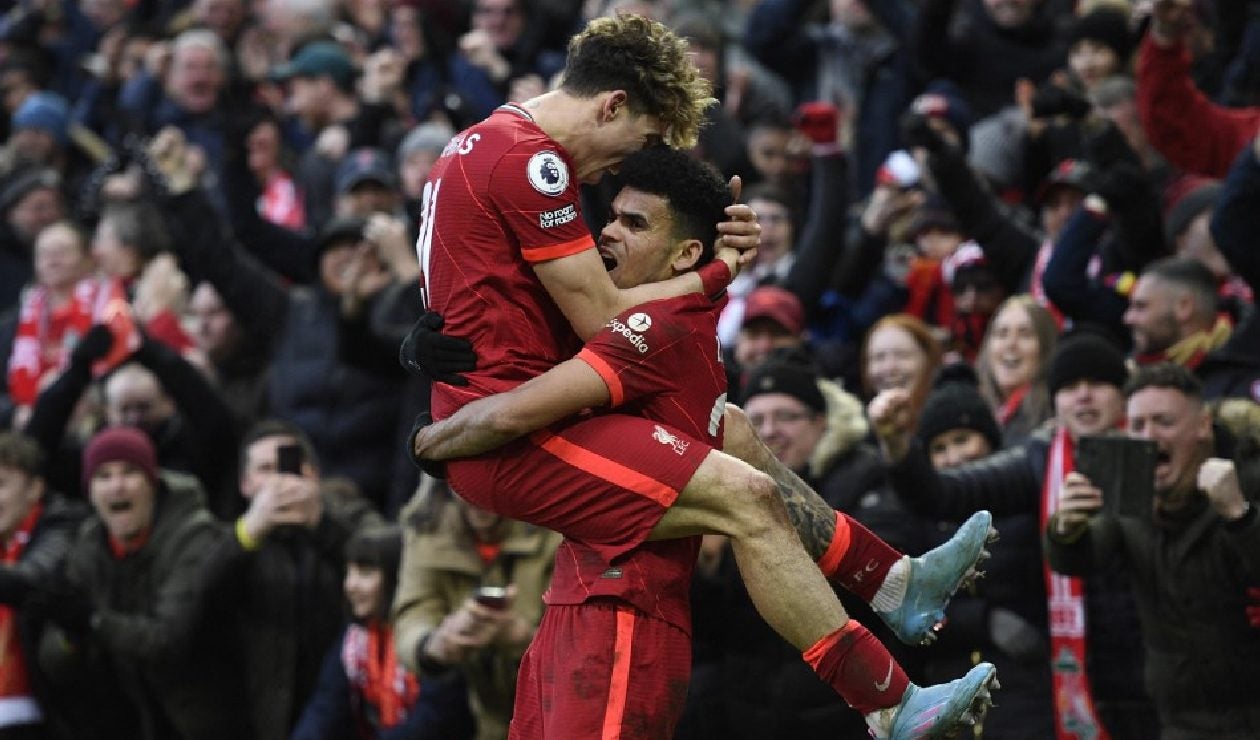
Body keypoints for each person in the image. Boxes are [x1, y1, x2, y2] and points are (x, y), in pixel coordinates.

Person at [411, 139, 997, 738]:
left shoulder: (649, 328)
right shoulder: (676, 314)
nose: (607, 234)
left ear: (682, 253)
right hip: (581, 612)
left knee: (745, 485)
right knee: (736, 435)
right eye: (611, 217)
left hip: (620, 618)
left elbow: (511, 415)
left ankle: (887, 694)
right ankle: (893, 586)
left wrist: (430, 438)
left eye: (632, 224)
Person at [868, 332, 1160, 739]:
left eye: (1098, 384)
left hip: (1162, 668)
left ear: (1124, 394)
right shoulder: (1037, 461)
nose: (1084, 397)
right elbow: (942, 494)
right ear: (1055, 402)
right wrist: (898, 445)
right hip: (1086, 678)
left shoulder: (1167, 452)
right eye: (1070, 387)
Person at [1046, 362, 1260, 738]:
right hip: (1181, 719)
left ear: (1202, 425)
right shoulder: (1129, 495)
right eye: (1139, 426)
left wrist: (1239, 516)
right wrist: (1065, 529)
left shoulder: (1250, 478)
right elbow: (1082, 557)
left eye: (1164, 422)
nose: (1149, 437)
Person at [33, 426, 253, 740]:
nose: (117, 487)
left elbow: (167, 641)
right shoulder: (88, 545)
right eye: (103, 476)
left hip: (212, 722)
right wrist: (71, 635)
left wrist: (92, 621)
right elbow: (53, 662)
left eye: (130, 472)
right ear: (89, 491)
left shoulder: (195, 536)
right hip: (138, 720)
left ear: (152, 482)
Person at [394, 481, 561, 740]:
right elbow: (413, 613)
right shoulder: (428, 529)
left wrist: (523, 639)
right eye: (463, 482)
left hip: (558, 715)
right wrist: (435, 643)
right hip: (487, 717)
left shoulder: (557, 530)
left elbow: (584, 647)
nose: (477, 501)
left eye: (489, 480)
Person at [292, 524, 476, 740]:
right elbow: (326, 708)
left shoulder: (432, 636)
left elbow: (432, 720)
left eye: (365, 572)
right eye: (348, 572)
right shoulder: (354, 638)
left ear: (396, 578)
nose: (350, 585)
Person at [0, 431, 86, 739]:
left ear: (35, 488)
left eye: (1, 484)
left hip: (56, 717)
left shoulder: (65, 525)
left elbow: (34, 580)